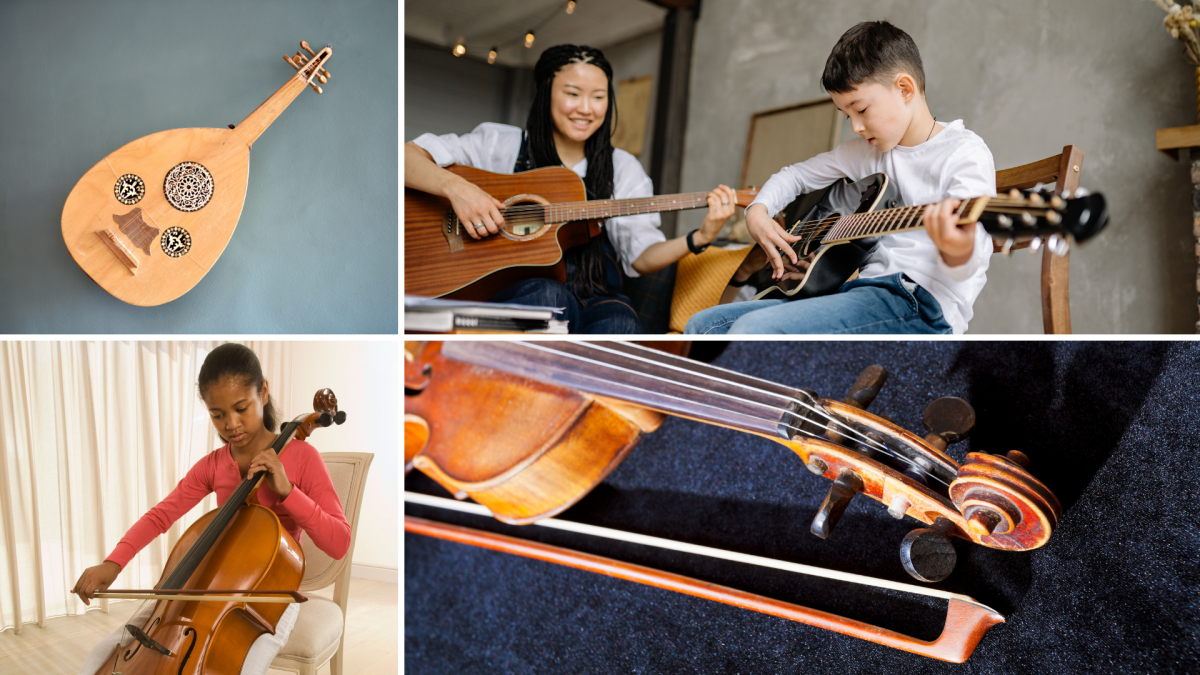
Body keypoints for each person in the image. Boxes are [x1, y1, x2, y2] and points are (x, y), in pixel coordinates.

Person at [685, 21, 995, 335]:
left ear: (904, 89)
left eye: (861, 109)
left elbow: (970, 263)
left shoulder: (963, 153)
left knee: (753, 329)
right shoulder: (864, 153)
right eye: (848, 116)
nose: (856, 127)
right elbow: (795, 176)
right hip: (859, 293)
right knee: (704, 325)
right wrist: (758, 210)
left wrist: (956, 247)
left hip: (921, 305)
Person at [405, 44, 737, 333]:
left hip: (597, 295)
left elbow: (641, 257)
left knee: (622, 322)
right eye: (573, 94)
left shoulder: (622, 167)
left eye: (598, 97)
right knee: (548, 296)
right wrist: (458, 189)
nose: (586, 109)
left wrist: (701, 238)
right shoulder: (498, 143)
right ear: (546, 92)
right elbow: (402, 158)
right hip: (514, 292)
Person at [72, 343, 350, 675]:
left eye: (241, 408)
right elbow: (162, 514)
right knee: (104, 654)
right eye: (217, 415)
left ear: (263, 392)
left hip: (269, 595)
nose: (231, 424)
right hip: (202, 582)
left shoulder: (302, 457)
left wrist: (288, 491)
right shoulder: (214, 465)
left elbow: (338, 542)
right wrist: (113, 563)